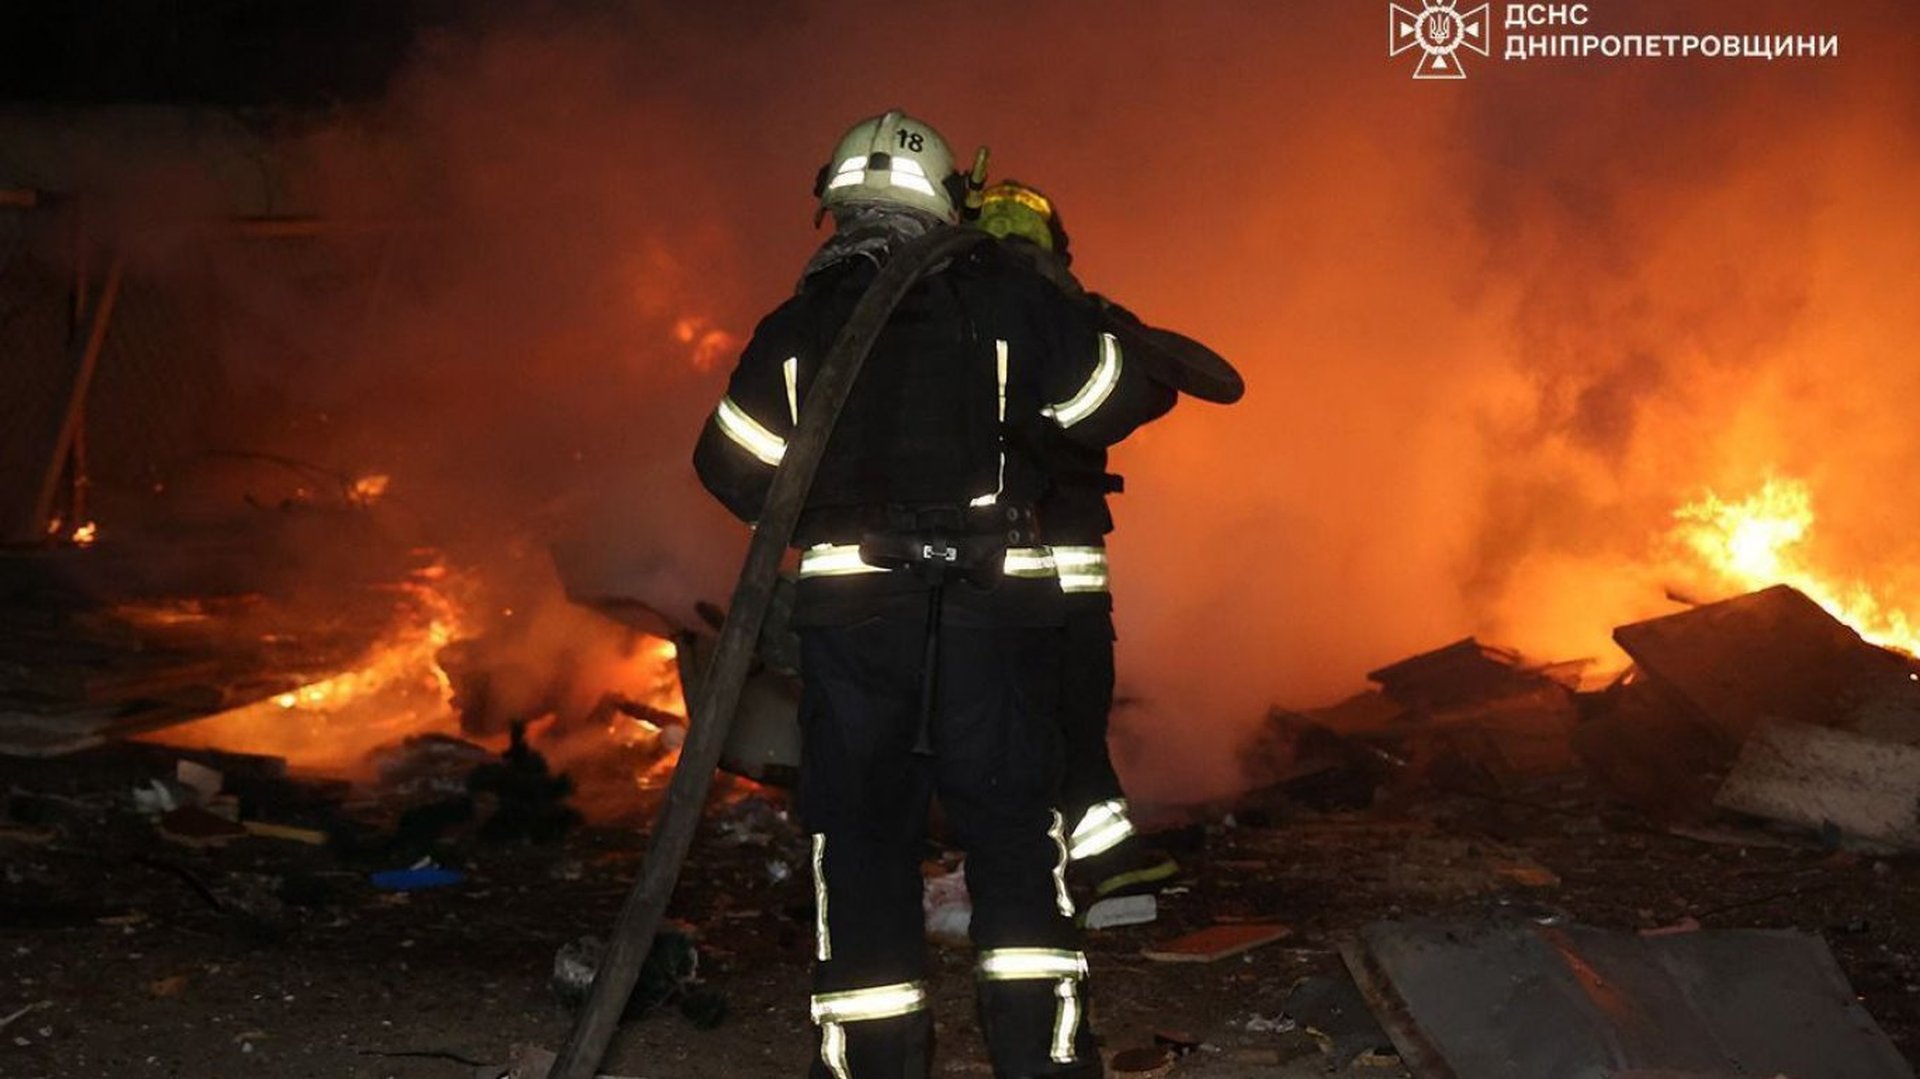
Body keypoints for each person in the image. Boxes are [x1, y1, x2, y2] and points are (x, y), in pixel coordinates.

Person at [694, 111, 1174, 1079]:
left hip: (856, 626)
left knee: (862, 844)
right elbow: (1111, 398)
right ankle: (1040, 1062)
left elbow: (728, 462)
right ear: (949, 202)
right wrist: (1066, 359)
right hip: (994, 619)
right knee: (1014, 840)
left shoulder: (799, 326)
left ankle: (874, 1065)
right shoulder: (1008, 295)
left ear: (837, 207)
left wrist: (819, 512)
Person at [974, 181, 1236, 915]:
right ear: (1054, 244)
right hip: (1056, 565)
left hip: (973, 569)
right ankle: (1088, 868)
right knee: (1068, 714)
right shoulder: (1065, 315)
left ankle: (1055, 864)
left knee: (1004, 717)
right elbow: (1124, 402)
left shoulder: (948, 310)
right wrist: (1118, 349)